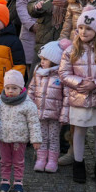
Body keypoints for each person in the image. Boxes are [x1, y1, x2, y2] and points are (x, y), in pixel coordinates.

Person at [59, 8, 96, 185]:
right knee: (79, 131)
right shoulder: (71, 50)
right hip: (80, 98)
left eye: (89, 29)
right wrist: (79, 83)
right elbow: (63, 73)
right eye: (82, 28)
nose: (84, 32)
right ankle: (78, 164)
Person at [0, 69, 41, 192]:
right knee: (5, 161)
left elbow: (34, 123)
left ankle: (18, 181)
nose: (10, 91)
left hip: (19, 139)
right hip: (4, 138)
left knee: (18, 162)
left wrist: (35, 140)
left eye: (14, 88)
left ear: (21, 88)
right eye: (8, 88)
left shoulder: (28, 105)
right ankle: (5, 180)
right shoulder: (0, 102)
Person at [29, 41, 66, 173]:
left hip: (55, 114)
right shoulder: (38, 72)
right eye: (41, 59)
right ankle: (41, 159)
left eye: (45, 59)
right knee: (41, 137)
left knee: (54, 138)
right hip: (39, 113)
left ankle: (52, 161)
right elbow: (31, 90)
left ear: (54, 60)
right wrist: (30, 108)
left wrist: (64, 114)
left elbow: (66, 96)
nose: (42, 61)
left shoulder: (61, 75)